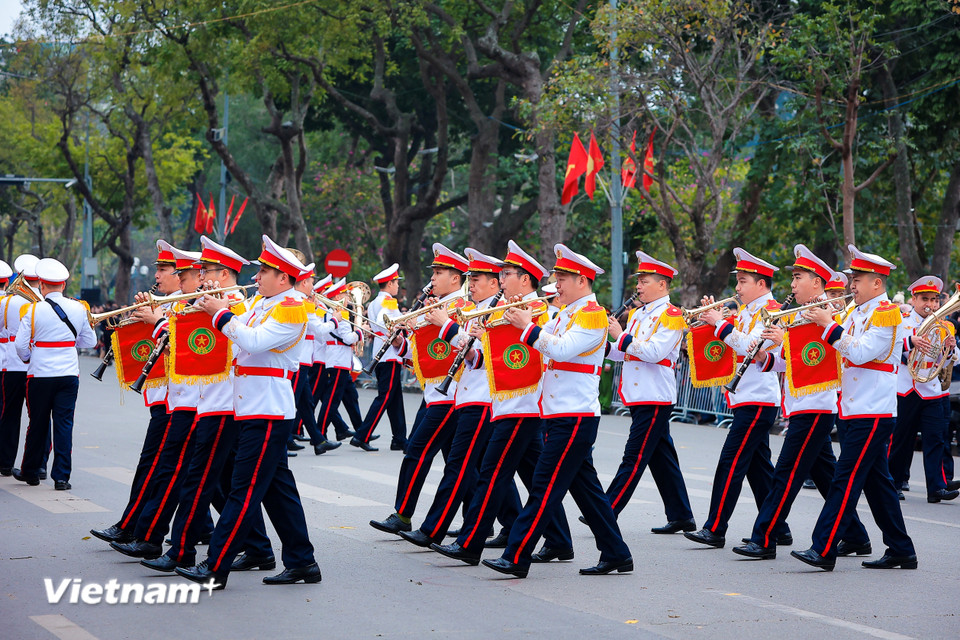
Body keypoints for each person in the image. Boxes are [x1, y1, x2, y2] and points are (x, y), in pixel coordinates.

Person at [176, 234, 321, 590]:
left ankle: (215, 566)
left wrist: (220, 313)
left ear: (283, 278)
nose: (255, 278)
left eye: (265, 272)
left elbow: (253, 342)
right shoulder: (262, 303)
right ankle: (303, 561)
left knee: (243, 491)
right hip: (253, 408)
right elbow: (237, 332)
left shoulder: (290, 307)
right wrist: (208, 308)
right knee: (277, 491)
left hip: (268, 410)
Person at [482, 244, 633, 578]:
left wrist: (527, 327)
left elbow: (561, 350)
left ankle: (516, 555)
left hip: (574, 415)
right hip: (559, 413)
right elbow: (542, 342)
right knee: (588, 493)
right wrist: (514, 323)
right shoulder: (568, 313)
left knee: (543, 488)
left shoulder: (591, 314)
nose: (557, 284)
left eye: (562, 278)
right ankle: (617, 553)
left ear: (582, 280)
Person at [431, 240, 569, 566]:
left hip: (523, 405)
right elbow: (485, 361)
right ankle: (561, 540)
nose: (501, 280)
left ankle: (470, 543)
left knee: (491, 475)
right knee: (536, 477)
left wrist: (451, 328)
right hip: (509, 403)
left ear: (525, 279)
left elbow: (537, 355)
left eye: (506, 274)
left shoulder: (539, 313)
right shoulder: (506, 311)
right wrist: (466, 341)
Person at [141, 237, 273, 573]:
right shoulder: (211, 302)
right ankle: (258, 547)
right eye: (199, 271)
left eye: (206, 271)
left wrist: (164, 319)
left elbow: (213, 346)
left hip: (222, 403)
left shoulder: (235, 306)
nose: (200, 277)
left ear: (224, 273)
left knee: (198, 480)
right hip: (206, 401)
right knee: (220, 481)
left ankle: (181, 550)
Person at [732, 245, 870, 560]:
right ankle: (857, 537)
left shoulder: (827, 314)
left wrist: (786, 342)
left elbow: (817, 358)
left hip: (816, 404)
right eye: (793, 278)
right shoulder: (803, 313)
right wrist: (768, 354)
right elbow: (790, 362)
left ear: (817, 282)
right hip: (802, 403)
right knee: (825, 474)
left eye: (798, 278)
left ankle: (764, 537)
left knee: (786, 473)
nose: (792, 285)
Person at [792, 244, 917, 571]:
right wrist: (819, 314)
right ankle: (902, 549)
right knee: (879, 487)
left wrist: (828, 324)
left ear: (877, 283)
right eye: (852, 278)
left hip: (873, 410)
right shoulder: (855, 312)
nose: (851, 285)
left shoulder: (887, 314)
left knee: (844, 481)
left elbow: (860, 353)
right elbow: (835, 341)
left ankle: (823, 549)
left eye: (858, 279)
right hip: (854, 408)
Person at [397, 248, 516, 548]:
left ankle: (436, 530)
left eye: (476, 279)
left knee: (462, 468)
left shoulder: (497, 312)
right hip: (468, 397)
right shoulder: (476, 310)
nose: (471, 284)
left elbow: (482, 359)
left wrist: (446, 327)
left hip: (482, 399)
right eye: (469, 278)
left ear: (495, 283)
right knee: (485, 471)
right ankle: (523, 528)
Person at [685, 248, 791, 549]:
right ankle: (778, 528)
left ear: (761, 284)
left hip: (759, 399)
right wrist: (710, 320)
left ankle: (715, 528)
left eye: (743, 281)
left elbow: (750, 347)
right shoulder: (744, 312)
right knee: (759, 470)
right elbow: (727, 350)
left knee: (731, 462)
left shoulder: (771, 310)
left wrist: (720, 323)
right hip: (746, 397)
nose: (737, 287)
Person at [369, 244, 469, 535]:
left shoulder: (460, 307)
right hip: (435, 390)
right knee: (462, 464)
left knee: (417, 451)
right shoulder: (437, 306)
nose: (433, 279)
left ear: (455, 278)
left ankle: (403, 514)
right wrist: (400, 342)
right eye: (434, 272)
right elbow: (427, 353)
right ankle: (494, 520)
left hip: (450, 395)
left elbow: (459, 347)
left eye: (439, 273)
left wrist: (443, 323)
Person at [90, 241, 182, 545]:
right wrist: (132, 319)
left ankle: (131, 526)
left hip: (177, 398)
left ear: (180, 275)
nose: (156, 275)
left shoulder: (183, 305)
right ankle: (234, 537)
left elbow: (177, 345)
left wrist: (153, 317)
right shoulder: (167, 302)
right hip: (165, 397)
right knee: (197, 475)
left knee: (156, 466)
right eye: (156, 269)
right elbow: (144, 343)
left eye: (163, 270)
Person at [601, 251, 696, 534]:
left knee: (634, 455)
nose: (638, 287)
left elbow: (653, 353)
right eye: (639, 281)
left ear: (663, 285)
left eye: (644, 281)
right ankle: (681, 515)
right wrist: (603, 345)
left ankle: (606, 509)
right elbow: (624, 353)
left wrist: (621, 336)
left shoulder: (671, 315)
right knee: (661, 456)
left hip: (655, 395)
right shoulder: (639, 314)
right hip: (638, 393)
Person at [13, 258, 97, 489]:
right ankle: (61, 477)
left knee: (37, 423)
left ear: (41, 284)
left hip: (39, 375)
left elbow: (20, 347)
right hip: (68, 374)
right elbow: (90, 340)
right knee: (64, 424)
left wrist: (29, 358)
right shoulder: (79, 307)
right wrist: (70, 341)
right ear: (64, 285)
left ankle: (31, 471)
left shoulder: (32, 310)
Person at [888, 276, 959, 503]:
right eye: (925, 299)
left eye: (935, 300)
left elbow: (952, 361)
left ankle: (937, 487)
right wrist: (912, 341)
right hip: (906, 386)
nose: (930, 304)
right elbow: (890, 348)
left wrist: (951, 349)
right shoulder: (902, 321)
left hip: (931, 388)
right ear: (914, 299)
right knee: (901, 438)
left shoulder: (944, 325)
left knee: (936, 438)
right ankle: (895, 482)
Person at [351, 263, 407, 451]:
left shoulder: (375, 302)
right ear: (390, 284)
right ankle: (362, 435)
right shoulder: (389, 302)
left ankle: (399, 438)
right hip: (389, 354)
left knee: (395, 398)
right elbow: (393, 326)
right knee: (385, 397)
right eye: (396, 283)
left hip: (382, 353)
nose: (398, 286)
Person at [0, 254, 41, 478]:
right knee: (39, 416)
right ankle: (39, 465)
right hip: (37, 366)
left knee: (10, 414)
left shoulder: (6, 302)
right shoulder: (45, 302)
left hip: (13, 365)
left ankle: (5, 463)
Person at [315, 278, 363, 442]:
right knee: (331, 401)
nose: (348, 298)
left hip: (339, 360)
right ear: (337, 298)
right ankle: (320, 434)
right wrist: (360, 332)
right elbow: (348, 338)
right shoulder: (339, 313)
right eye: (345, 294)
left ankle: (362, 432)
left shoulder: (336, 312)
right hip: (338, 361)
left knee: (348, 397)